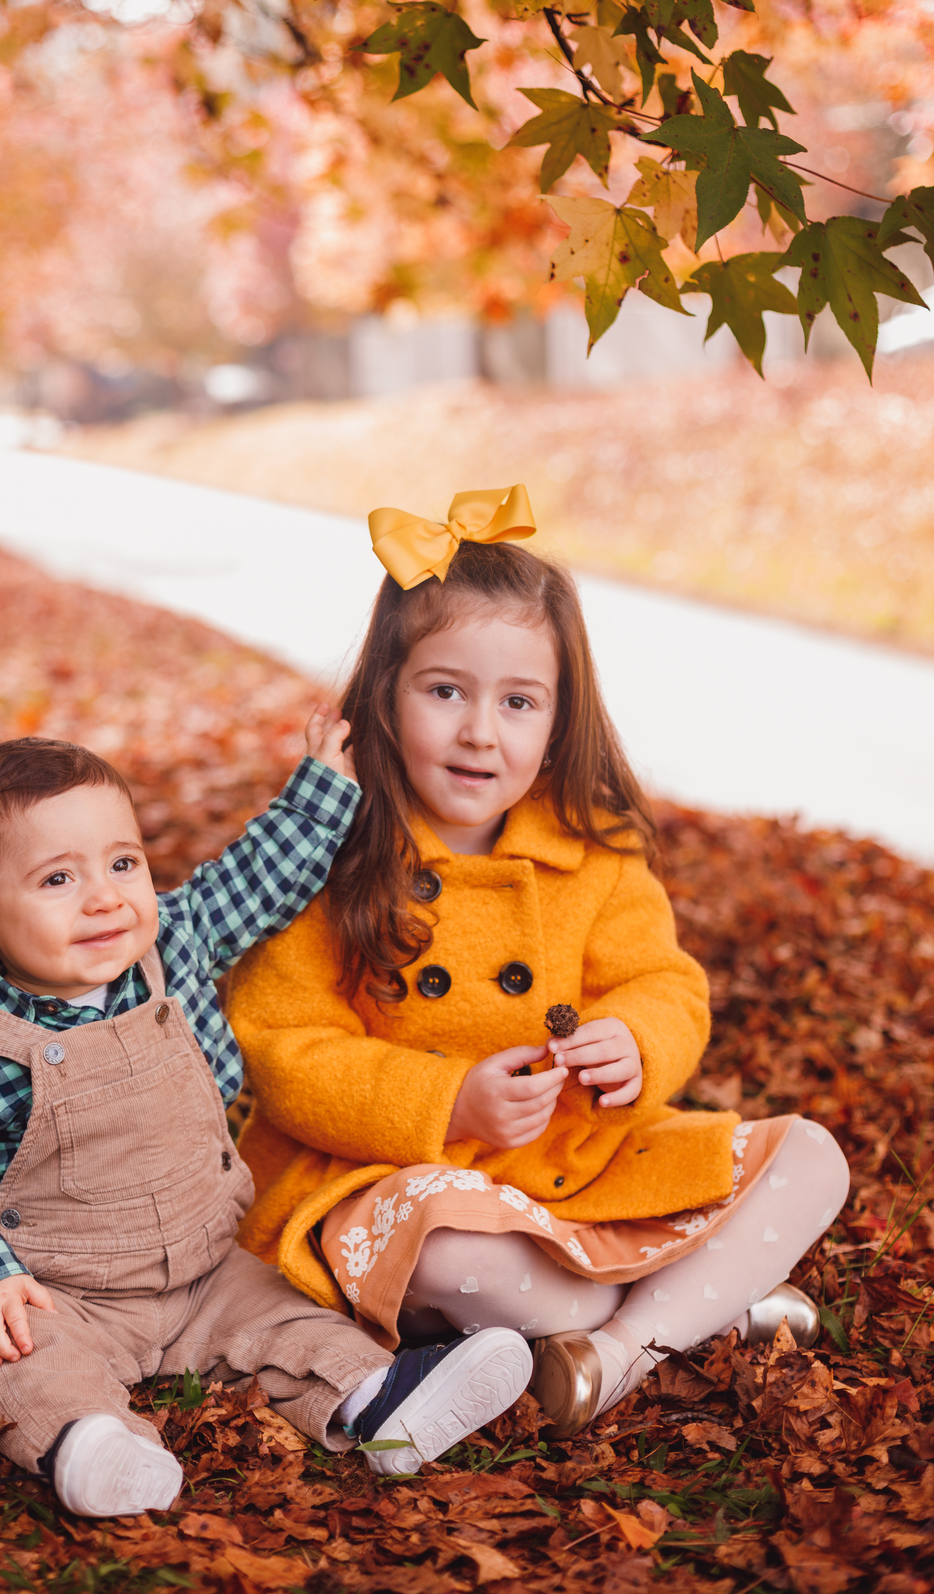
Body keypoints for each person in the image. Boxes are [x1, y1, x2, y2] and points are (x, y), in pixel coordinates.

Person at [227, 487, 850, 1437]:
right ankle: (697, 1316)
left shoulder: (588, 851)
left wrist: (637, 1042)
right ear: (385, 700)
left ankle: (616, 1349)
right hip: (400, 1178)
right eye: (446, 692)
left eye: (518, 702)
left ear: (557, 721)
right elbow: (281, 1047)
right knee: (447, 1263)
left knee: (813, 1158)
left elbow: (663, 982)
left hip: (573, 1159)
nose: (482, 731)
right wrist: (447, 1102)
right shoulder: (333, 851)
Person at [0, 718, 533, 1519]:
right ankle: (93, 1442)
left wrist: (323, 786)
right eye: (57, 880)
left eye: (124, 863)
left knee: (289, 1316)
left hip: (208, 1266)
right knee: (16, 1357)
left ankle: (378, 1401)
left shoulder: (174, 944)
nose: (104, 897)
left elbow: (257, 878)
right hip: (69, 1294)